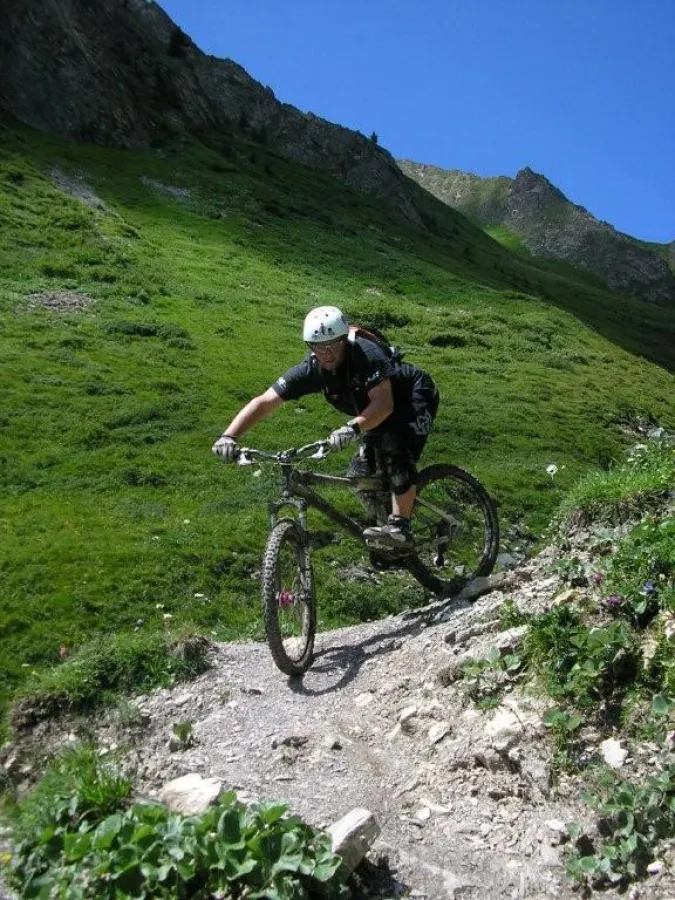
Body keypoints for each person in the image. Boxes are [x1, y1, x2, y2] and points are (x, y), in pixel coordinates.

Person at [212, 305, 439, 547]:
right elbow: (264, 401)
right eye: (318, 346)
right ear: (309, 346)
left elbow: (384, 405)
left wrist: (351, 428)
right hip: (371, 413)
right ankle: (388, 529)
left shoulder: (366, 354)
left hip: (411, 397)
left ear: (345, 339)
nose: (327, 352)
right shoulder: (311, 370)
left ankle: (401, 526)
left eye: (334, 344)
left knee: (396, 449)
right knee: (360, 475)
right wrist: (229, 436)